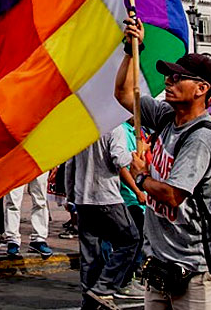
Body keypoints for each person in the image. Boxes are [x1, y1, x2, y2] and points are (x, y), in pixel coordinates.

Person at [115, 19, 211, 310]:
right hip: (160, 263)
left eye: (178, 78)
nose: (169, 81)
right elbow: (124, 94)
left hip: (195, 270)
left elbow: (173, 195)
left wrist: (141, 178)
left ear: (201, 88)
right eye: (168, 76)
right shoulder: (166, 117)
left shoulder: (201, 137)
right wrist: (132, 49)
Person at [65, 125, 142, 307]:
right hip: (107, 197)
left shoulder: (80, 129)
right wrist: (135, 155)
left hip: (83, 198)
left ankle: (90, 302)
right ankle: (103, 288)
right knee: (130, 240)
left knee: (90, 255)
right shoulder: (114, 128)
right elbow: (119, 159)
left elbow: (69, 166)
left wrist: (71, 196)